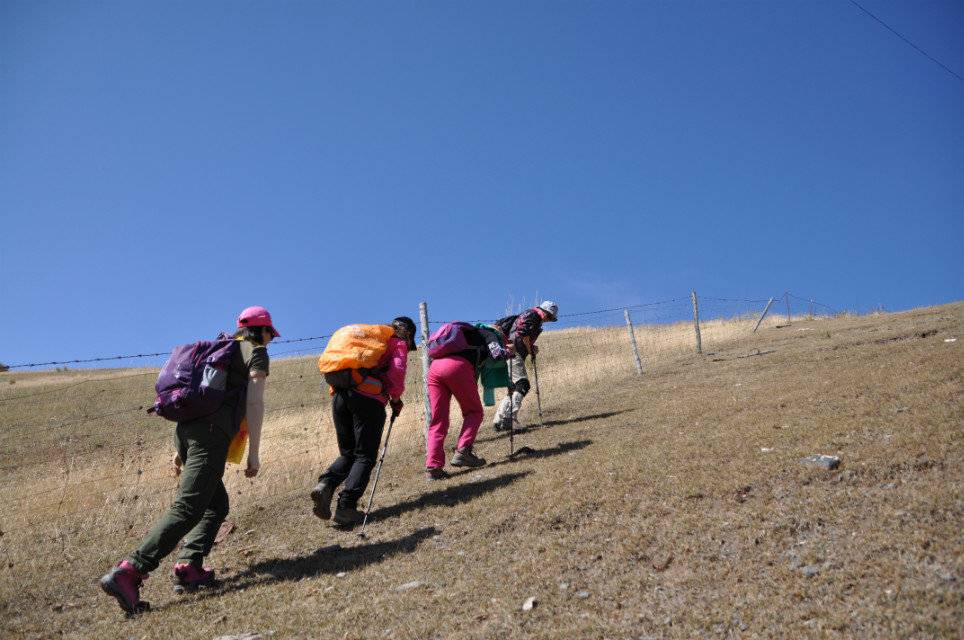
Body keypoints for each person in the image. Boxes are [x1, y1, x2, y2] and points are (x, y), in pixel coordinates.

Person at [99, 306, 278, 614]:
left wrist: (179, 450)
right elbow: (255, 402)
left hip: (186, 433)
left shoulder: (221, 348)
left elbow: (199, 396)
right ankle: (130, 571)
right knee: (188, 507)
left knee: (216, 505)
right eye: (270, 334)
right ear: (262, 331)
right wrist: (254, 453)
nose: (270, 340)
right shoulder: (255, 351)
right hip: (210, 437)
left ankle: (189, 566)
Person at [311, 316, 416, 527]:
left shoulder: (370, 339)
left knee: (348, 453)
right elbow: (396, 373)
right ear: (408, 333)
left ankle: (325, 484)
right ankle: (346, 508)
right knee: (365, 456)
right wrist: (395, 399)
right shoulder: (397, 342)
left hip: (340, 396)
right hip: (368, 400)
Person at [425, 324, 514, 480]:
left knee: (438, 420)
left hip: (434, 368)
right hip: (457, 367)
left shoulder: (464, 333)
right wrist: (510, 352)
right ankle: (463, 452)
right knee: (474, 412)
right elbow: (497, 354)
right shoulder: (489, 334)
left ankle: (433, 467)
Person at [493, 300, 558, 431]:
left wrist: (531, 347)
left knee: (514, 388)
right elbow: (524, 335)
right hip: (515, 352)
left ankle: (498, 420)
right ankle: (509, 419)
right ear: (544, 311)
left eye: (550, 318)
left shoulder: (531, 316)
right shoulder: (532, 315)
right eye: (549, 316)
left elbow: (521, 335)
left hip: (509, 352)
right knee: (523, 384)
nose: (548, 320)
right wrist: (530, 350)